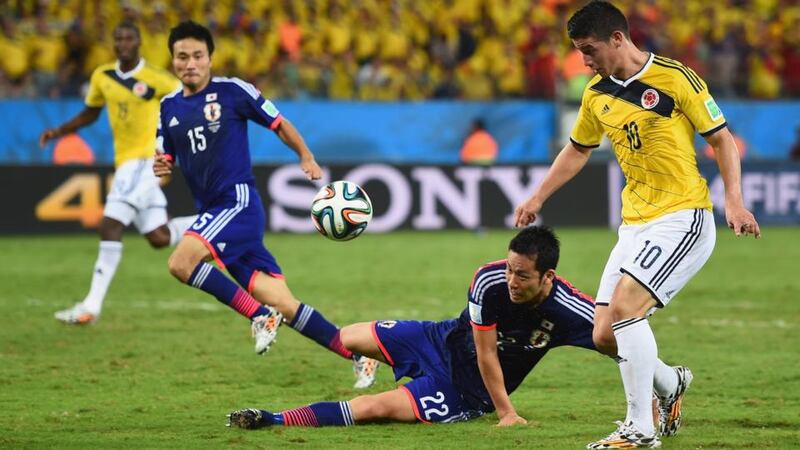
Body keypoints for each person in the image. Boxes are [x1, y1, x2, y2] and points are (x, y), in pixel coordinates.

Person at [513, 2, 761, 449]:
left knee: (626, 310)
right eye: (578, 52)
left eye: (589, 50)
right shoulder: (596, 93)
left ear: (617, 39)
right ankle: (670, 383)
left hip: (682, 216)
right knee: (604, 334)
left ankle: (639, 430)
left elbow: (722, 140)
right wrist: (537, 196)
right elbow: (578, 149)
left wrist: (735, 203)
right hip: (635, 224)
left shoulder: (675, 78)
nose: (584, 61)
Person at [153, 21, 377, 389]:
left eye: (197, 55)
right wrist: (159, 169)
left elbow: (278, 122)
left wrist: (305, 155)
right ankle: (359, 355)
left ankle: (258, 316)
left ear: (210, 58)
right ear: (173, 60)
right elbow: (164, 169)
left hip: (236, 203)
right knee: (287, 306)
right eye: (182, 57)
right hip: (215, 214)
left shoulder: (232, 91)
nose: (189, 63)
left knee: (181, 263)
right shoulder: (168, 107)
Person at [226, 226, 599, 429]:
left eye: (522, 275)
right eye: (509, 269)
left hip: (465, 389)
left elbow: (621, 339)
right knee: (347, 337)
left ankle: (271, 419)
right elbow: (485, 347)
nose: (511, 280)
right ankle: (368, 361)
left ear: (547, 275)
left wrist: (504, 412)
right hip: (439, 340)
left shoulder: (569, 310)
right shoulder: (489, 279)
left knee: (373, 407)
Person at [41, 21, 197, 325]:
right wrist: (59, 131)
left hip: (147, 160)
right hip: (126, 162)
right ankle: (217, 220)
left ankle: (91, 306)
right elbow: (91, 112)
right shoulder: (103, 76)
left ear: (139, 43)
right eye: (118, 39)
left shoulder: (157, 78)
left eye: (129, 38)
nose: (123, 43)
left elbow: (188, 102)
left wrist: (178, 149)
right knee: (158, 237)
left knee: (110, 224)